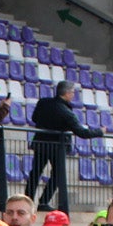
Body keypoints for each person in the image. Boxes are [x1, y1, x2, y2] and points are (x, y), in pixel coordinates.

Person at [26, 81, 104, 212]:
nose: (73, 95)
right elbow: (82, 132)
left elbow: (34, 118)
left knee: (35, 173)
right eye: (73, 92)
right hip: (57, 147)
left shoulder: (43, 103)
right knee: (57, 175)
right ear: (67, 93)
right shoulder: (66, 112)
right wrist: (100, 131)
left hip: (40, 143)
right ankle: (44, 201)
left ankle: (26, 200)